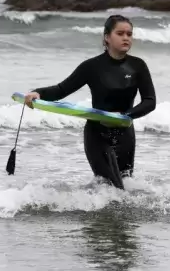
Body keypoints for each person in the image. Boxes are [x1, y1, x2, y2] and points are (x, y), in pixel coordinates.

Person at [23, 14, 156, 189]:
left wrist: (124, 116)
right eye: (120, 33)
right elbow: (62, 89)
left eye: (129, 34)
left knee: (125, 187)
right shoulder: (92, 67)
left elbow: (150, 101)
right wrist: (38, 93)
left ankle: (100, 213)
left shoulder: (138, 66)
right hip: (97, 133)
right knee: (111, 188)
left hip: (124, 133)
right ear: (107, 37)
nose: (126, 38)